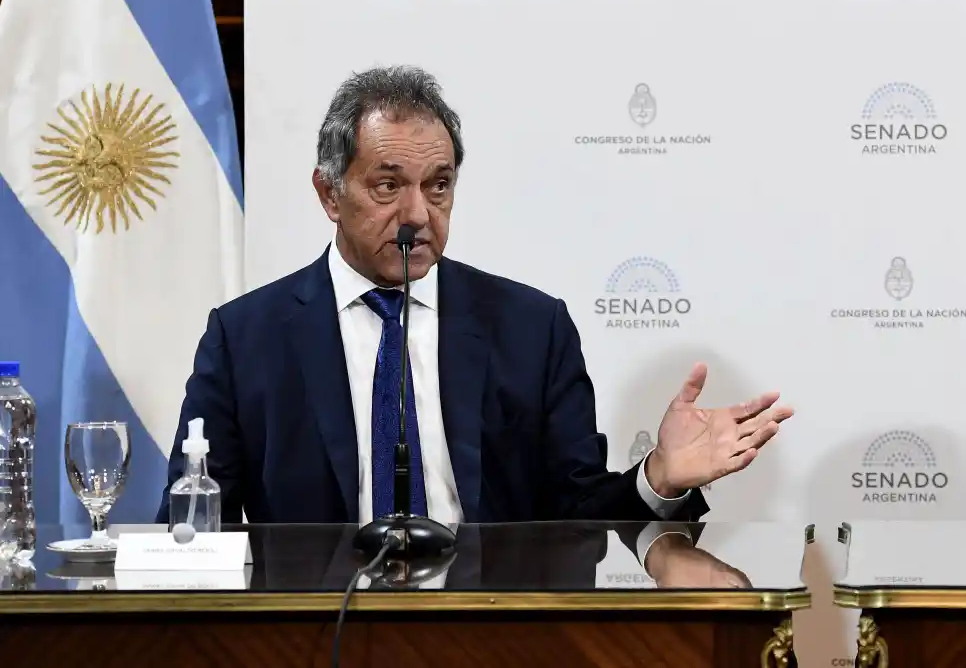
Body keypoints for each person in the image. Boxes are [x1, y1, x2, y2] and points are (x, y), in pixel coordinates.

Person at [157, 66, 793, 525]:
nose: (417, 214)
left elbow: (579, 521)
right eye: (387, 186)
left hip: (487, 634)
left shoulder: (531, 329)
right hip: (312, 635)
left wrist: (658, 477)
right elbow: (187, 524)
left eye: (438, 186)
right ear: (329, 194)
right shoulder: (246, 338)